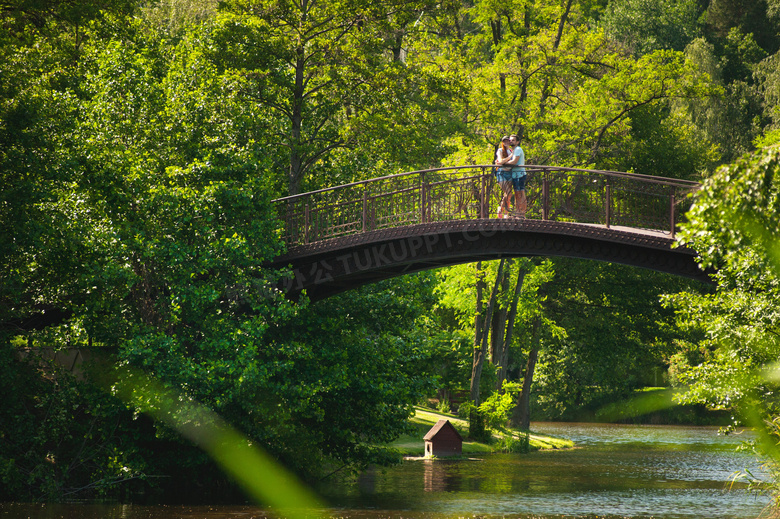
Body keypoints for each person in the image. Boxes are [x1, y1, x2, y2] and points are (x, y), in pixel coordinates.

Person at [505, 134, 527, 218]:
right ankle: (518, 213)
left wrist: (503, 163)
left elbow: (514, 161)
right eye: (510, 140)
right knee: (517, 194)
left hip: (519, 174)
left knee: (520, 193)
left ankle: (522, 213)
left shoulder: (518, 149)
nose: (511, 141)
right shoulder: (513, 150)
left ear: (517, 142)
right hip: (515, 174)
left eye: (513, 140)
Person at [493, 136, 514, 218]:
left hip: (510, 173)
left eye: (507, 141)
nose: (506, 143)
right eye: (504, 141)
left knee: (508, 194)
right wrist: (510, 157)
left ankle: (504, 212)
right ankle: (502, 211)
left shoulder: (511, 150)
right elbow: (501, 161)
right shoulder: (500, 150)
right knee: (508, 193)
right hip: (502, 173)